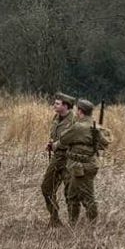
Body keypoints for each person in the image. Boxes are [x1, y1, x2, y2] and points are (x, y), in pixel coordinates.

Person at [53, 98, 111, 224]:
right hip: (86, 165)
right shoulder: (96, 126)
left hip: (82, 167)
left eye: (77, 110)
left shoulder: (78, 126)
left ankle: (92, 224)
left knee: (87, 196)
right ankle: (73, 223)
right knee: (72, 195)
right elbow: (105, 144)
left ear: (80, 111)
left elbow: (63, 138)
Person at [41, 92, 77, 227]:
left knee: (70, 191)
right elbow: (55, 135)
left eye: (57, 103)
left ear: (66, 106)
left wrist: (58, 144)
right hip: (57, 158)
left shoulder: (74, 120)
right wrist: (51, 144)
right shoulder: (56, 117)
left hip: (69, 158)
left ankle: (73, 222)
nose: (54, 105)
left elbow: (74, 138)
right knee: (46, 188)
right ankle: (55, 219)